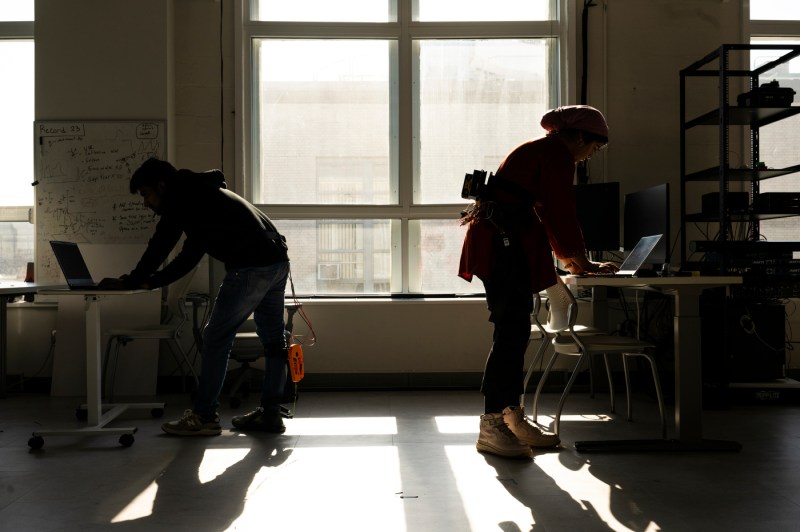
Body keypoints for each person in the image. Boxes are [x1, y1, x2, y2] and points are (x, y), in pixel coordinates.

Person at [458, 105, 618, 459]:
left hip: (500, 244)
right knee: (510, 333)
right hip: (502, 246)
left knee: (512, 332)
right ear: (577, 136)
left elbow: (545, 213)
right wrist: (580, 259)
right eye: (595, 146)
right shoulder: (556, 154)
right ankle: (492, 424)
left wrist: (574, 259)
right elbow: (559, 211)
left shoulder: (538, 150)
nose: (592, 154)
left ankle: (510, 416)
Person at [98, 157, 291, 436]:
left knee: (215, 337)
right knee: (274, 340)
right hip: (276, 261)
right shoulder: (200, 191)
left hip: (252, 267)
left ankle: (205, 416)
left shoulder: (186, 198)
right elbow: (175, 247)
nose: (146, 203)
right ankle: (271, 415)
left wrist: (141, 280)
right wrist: (144, 279)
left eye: (146, 194)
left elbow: (176, 251)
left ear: (161, 186)